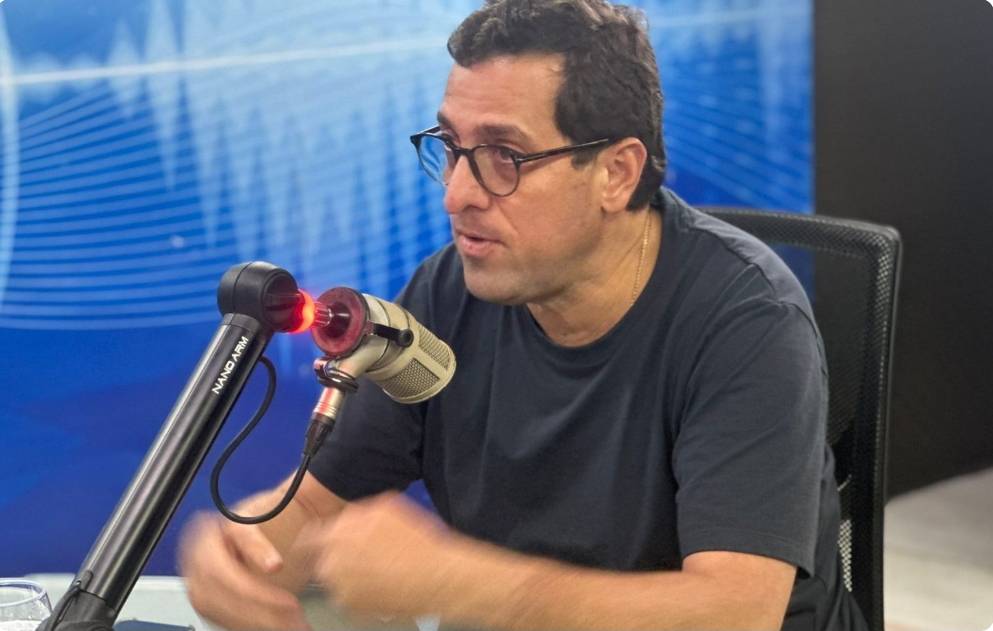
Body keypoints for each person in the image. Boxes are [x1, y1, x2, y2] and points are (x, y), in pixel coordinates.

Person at [178, 1, 866, 629]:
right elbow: (314, 505)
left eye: (503, 156)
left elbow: (736, 612)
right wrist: (245, 554)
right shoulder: (446, 291)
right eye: (452, 148)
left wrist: (458, 580)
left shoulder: (748, 319)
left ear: (616, 173)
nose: (456, 195)